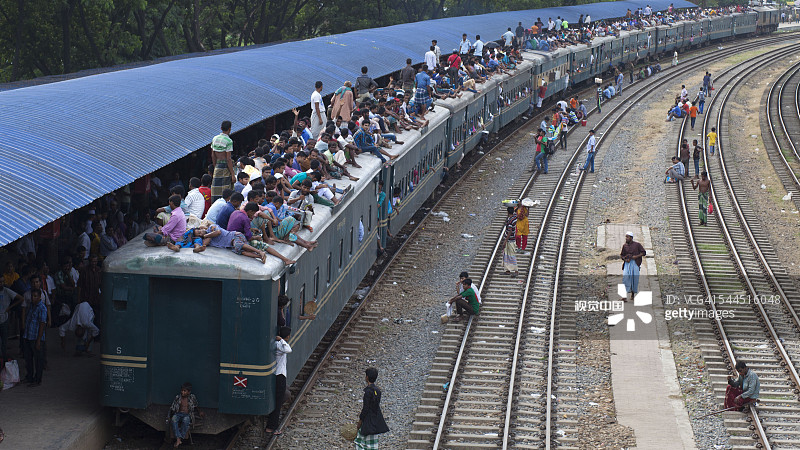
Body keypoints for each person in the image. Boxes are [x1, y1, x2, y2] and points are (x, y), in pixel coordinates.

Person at [354, 367, 390, 450]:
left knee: (360, 442)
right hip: (375, 421)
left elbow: (365, 408)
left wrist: (360, 420)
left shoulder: (368, 392)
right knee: (373, 444)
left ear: (367, 377)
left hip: (367, 421)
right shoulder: (378, 391)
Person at [266, 326, 292, 436]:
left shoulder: (277, 344)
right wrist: (282, 340)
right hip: (280, 375)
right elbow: (288, 350)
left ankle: (270, 426)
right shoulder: (280, 345)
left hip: (275, 375)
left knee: (276, 401)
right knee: (278, 402)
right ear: (287, 336)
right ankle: (272, 427)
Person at [167, 382, 204, 448]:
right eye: (182, 390)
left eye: (184, 391)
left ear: (189, 392)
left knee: (186, 421)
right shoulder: (178, 397)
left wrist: (200, 412)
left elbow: (196, 405)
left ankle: (179, 439)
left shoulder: (192, 397)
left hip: (186, 414)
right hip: (178, 413)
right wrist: (170, 415)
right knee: (174, 420)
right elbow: (172, 407)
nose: (182, 392)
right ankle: (178, 438)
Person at [23, 289, 47, 386]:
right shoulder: (31, 306)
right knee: (28, 359)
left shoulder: (42, 308)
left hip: (36, 337)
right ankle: (29, 377)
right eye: (32, 296)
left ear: (40, 297)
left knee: (38, 360)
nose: (33, 298)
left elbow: (42, 324)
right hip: (28, 336)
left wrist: (38, 340)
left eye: (35, 296)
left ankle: (37, 379)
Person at [0, 277, 24, 364]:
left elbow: (21, 298)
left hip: (4, 319)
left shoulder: (6, 291)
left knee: (4, 342)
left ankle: (3, 360)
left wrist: (10, 307)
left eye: (2, 282)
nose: (1, 284)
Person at [211, 120, 236, 201]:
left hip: (218, 166)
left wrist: (215, 167)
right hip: (226, 168)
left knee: (215, 190)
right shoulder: (229, 141)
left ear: (221, 128)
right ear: (229, 129)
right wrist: (232, 174)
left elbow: (213, 155)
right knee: (227, 189)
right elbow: (228, 159)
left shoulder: (215, 139)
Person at [503, 206, 518, 276]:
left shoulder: (510, 221)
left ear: (508, 212)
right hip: (513, 239)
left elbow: (509, 231)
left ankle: (515, 270)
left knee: (510, 255)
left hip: (510, 240)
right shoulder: (515, 218)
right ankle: (508, 270)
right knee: (509, 255)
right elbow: (515, 212)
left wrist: (505, 240)